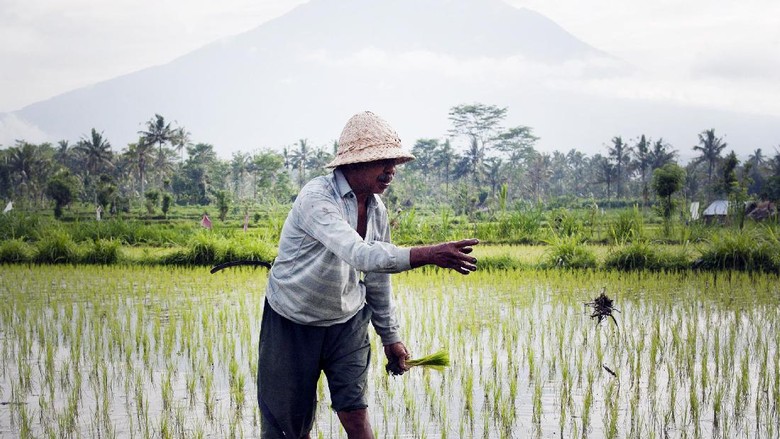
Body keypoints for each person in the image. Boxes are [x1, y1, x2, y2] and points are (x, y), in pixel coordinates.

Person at [256, 111, 479, 439]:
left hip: (347, 322)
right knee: (289, 429)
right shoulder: (317, 199)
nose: (391, 171)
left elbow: (376, 278)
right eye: (382, 162)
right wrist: (428, 254)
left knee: (357, 417)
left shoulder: (376, 210)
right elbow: (358, 253)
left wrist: (391, 339)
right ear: (353, 164)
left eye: (394, 163)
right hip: (292, 322)